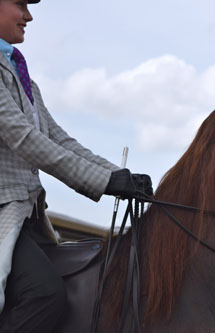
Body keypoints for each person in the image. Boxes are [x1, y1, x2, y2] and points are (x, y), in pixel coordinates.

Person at [0, 0, 153, 331]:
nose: (29, 15)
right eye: (20, 4)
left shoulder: (21, 75)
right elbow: (25, 139)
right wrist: (104, 182)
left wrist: (117, 175)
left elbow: (60, 140)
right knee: (44, 294)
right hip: (3, 213)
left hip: (27, 217)